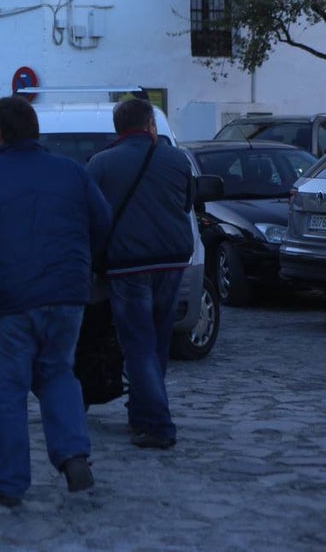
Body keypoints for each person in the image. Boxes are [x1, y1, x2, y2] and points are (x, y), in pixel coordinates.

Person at [0, 96, 111, 507]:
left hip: (5, 299)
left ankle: (8, 480)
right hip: (66, 296)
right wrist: (86, 267)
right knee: (58, 374)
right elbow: (102, 221)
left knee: (5, 389)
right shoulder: (71, 173)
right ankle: (72, 454)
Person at [87, 97, 194, 450]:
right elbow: (186, 204)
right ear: (150, 125)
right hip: (173, 262)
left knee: (138, 346)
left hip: (128, 265)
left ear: (117, 128)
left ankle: (158, 425)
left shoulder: (101, 164)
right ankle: (143, 413)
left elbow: (91, 216)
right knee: (158, 342)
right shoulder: (178, 160)